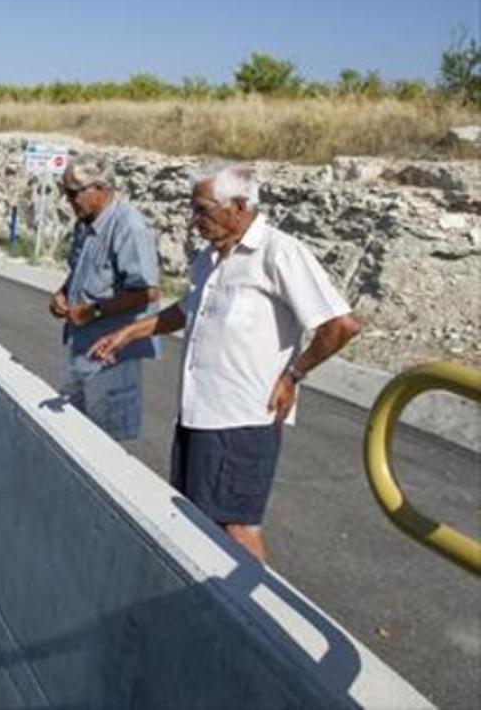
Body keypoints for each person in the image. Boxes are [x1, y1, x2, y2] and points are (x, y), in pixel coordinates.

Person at [88, 165, 362, 562]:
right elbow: (187, 310)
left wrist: (294, 376)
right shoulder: (209, 259)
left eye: (202, 210)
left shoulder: (278, 253)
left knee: (236, 527)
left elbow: (341, 325)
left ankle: (263, 616)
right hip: (199, 415)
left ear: (239, 206)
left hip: (243, 418)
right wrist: (130, 333)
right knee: (200, 521)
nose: (194, 220)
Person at [49, 158, 161, 442]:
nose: (68, 200)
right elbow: (80, 271)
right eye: (65, 192)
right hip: (80, 349)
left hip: (112, 357)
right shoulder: (85, 225)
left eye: (73, 193)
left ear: (99, 188)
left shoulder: (129, 227)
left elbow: (146, 292)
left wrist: (93, 312)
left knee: (104, 445)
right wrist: (62, 294)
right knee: (72, 437)